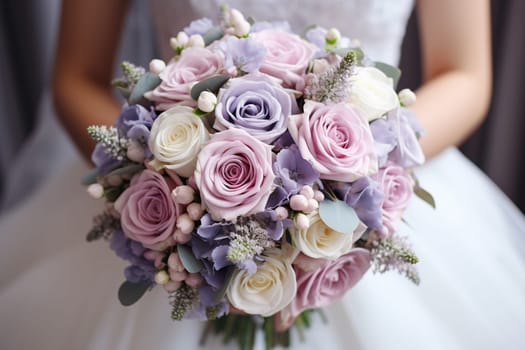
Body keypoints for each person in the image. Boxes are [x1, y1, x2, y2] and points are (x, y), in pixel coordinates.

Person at [1, 0, 524, 349]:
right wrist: (161, 174)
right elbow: (76, 77)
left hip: (383, 181)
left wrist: (350, 178)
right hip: (168, 188)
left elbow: (465, 73)